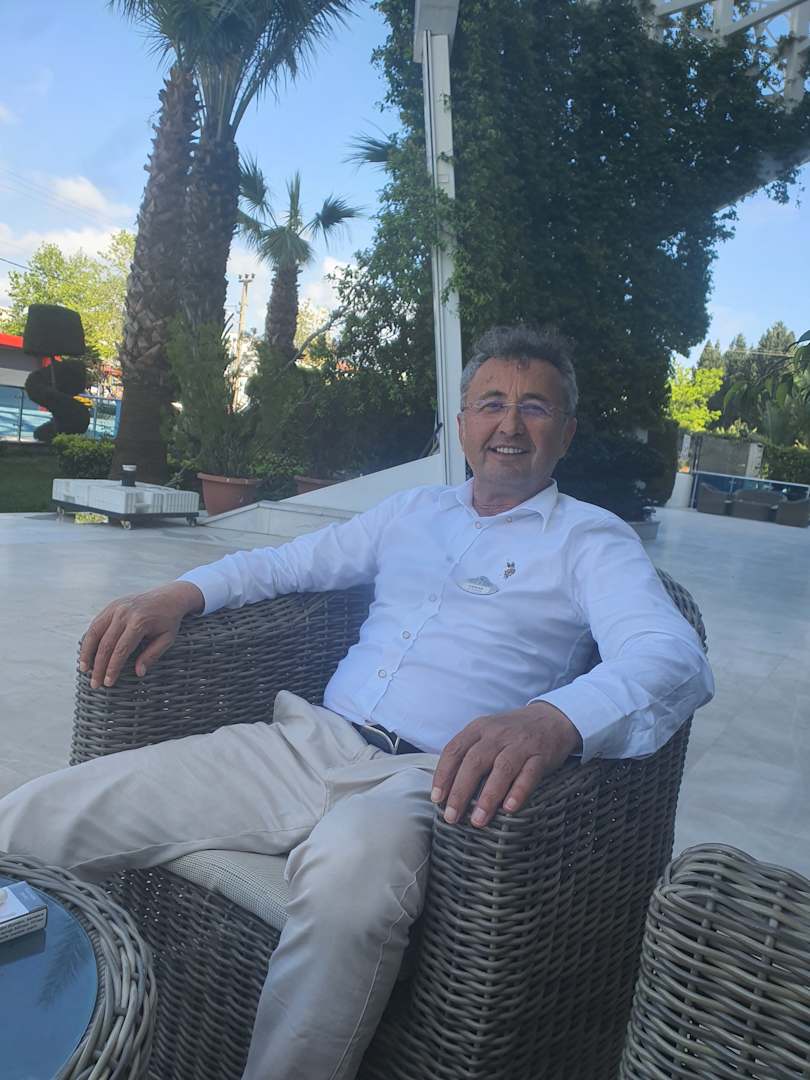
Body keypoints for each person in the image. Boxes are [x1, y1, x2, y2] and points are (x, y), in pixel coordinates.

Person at [0, 324, 713, 1080]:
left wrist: (556, 719)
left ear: (565, 432)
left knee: (347, 889)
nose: (509, 424)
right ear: (462, 424)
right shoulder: (412, 512)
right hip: (307, 742)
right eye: (491, 404)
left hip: (428, 783)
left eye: (534, 407)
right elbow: (287, 565)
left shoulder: (591, 540)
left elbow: (671, 657)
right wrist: (180, 593)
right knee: (40, 813)